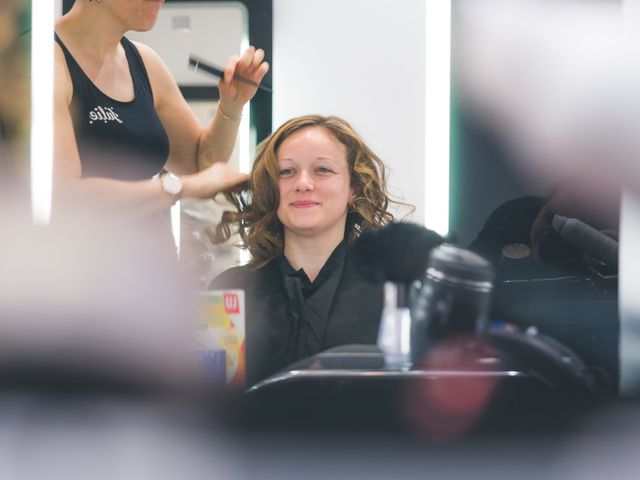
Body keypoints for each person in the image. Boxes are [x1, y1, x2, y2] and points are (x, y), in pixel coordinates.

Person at [210, 114, 409, 385]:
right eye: (286, 171)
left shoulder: (394, 293)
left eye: (322, 170)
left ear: (354, 188)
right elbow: (209, 401)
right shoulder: (228, 290)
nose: (303, 183)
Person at [53, 0, 268, 249]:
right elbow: (65, 197)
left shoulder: (145, 62)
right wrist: (178, 187)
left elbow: (201, 164)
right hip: (81, 271)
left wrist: (232, 104)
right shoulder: (44, 63)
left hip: (152, 269)